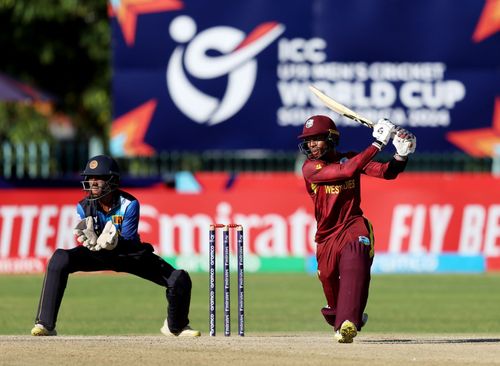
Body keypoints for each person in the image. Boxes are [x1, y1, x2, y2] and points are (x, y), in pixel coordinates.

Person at [31, 154, 200, 337]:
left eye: (99, 178)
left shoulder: (130, 204)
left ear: (112, 181)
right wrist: (91, 241)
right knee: (60, 258)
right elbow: (86, 238)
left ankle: (176, 326)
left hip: (130, 255)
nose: (93, 183)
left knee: (179, 278)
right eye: (90, 178)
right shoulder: (83, 206)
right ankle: (45, 324)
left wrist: (114, 242)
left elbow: (128, 239)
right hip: (98, 254)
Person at [298, 115, 416, 343]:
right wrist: (377, 144)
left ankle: (348, 323)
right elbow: (345, 172)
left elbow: (386, 172)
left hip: (353, 224)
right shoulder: (310, 168)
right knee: (329, 279)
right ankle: (339, 316)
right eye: (308, 140)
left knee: (356, 259)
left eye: (317, 139)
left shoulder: (350, 158)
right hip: (327, 236)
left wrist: (401, 154)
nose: (311, 145)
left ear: (331, 139)